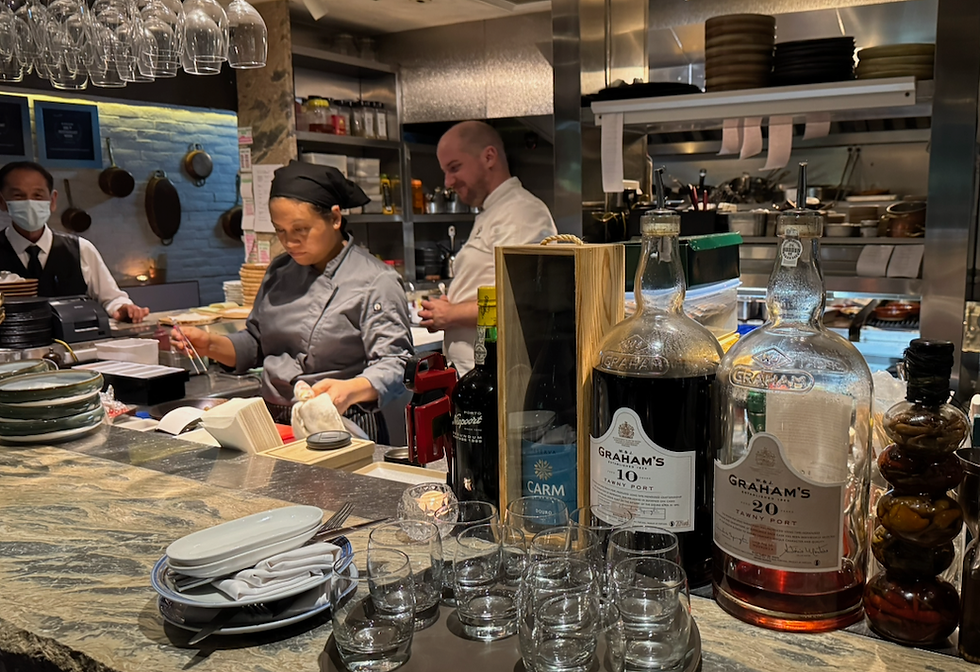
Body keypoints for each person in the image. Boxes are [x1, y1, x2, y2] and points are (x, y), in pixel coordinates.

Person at [173, 162, 413, 443]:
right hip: (273, 421)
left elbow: (396, 363)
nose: (290, 242)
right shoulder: (280, 270)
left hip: (343, 422)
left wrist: (350, 389)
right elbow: (256, 344)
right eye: (281, 231)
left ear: (335, 218)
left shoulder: (376, 280)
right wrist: (210, 345)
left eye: (300, 229)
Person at [419, 120, 557, 375]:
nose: (448, 181)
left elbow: (521, 302)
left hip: (499, 380)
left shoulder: (521, 212)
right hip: (473, 375)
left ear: (489, 157)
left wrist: (451, 314)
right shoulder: (492, 211)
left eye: (454, 167)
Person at [0, 161, 149, 322]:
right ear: (2, 202)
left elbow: (112, 298)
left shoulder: (81, 249)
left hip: (77, 345)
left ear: (52, 200)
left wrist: (123, 308)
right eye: (18, 196)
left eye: (38, 195)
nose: (29, 203)